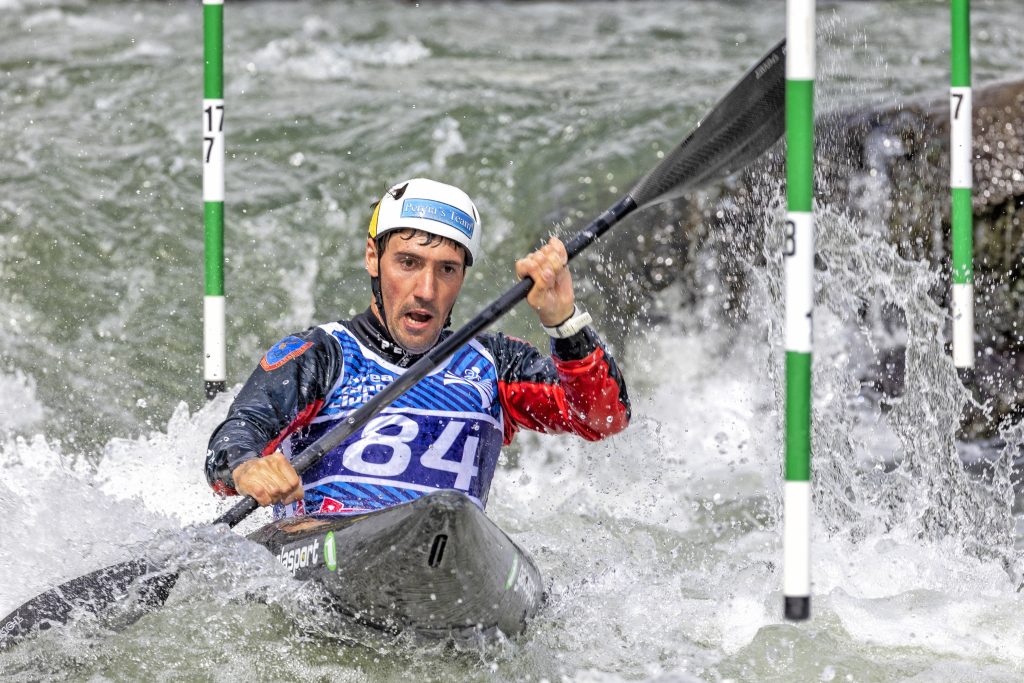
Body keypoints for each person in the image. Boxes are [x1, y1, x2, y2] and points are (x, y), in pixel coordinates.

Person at [205, 178, 630, 516]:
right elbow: (236, 436)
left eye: (447, 269)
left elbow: (603, 418)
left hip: (449, 559)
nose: (426, 290)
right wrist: (247, 468)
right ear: (373, 258)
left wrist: (564, 322)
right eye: (407, 263)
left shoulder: (495, 364)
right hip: (331, 554)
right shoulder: (321, 356)